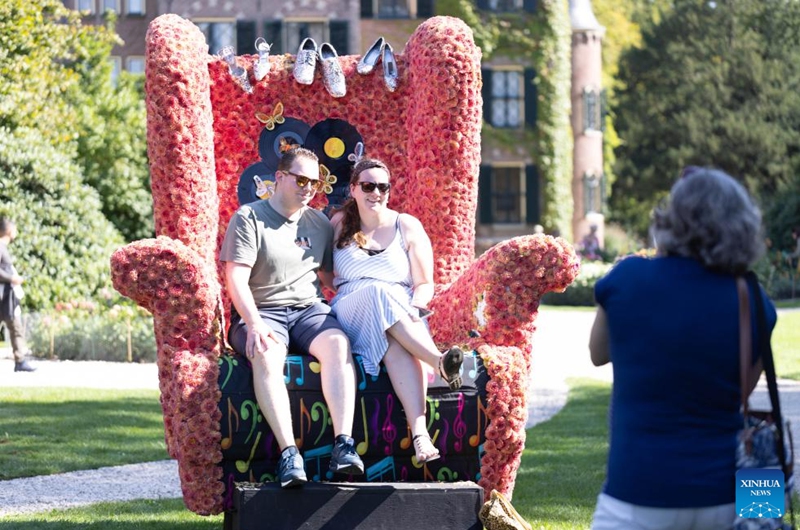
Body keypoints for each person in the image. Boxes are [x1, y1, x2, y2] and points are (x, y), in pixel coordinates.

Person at [588, 167, 777, 530]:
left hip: (636, 492)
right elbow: (742, 394)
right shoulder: (752, 296)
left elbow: (598, 354)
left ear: (672, 219)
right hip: (728, 499)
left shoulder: (626, 279)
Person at [220, 147, 364, 488]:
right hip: (262, 310)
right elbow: (235, 278)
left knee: (338, 345)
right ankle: (289, 454)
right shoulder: (249, 218)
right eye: (300, 179)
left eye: (314, 182)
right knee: (267, 354)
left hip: (308, 310)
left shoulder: (318, 224)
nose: (308, 187)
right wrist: (253, 323)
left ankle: (344, 445)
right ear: (279, 178)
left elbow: (330, 279)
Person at [329, 158, 464, 464]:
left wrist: (416, 307)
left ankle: (420, 435)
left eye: (382, 187)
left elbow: (425, 283)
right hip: (351, 307)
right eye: (367, 186)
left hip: (401, 310)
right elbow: (325, 273)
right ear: (353, 189)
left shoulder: (407, 225)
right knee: (378, 292)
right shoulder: (338, 224)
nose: (375, 192)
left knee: (394, 343)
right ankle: (437, 361)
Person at [0, 218, 35, 373]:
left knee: (16, 327)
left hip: (7, 296)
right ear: (9, 231)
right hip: (3, 296)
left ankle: (20, 361)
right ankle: (20, 361)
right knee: (15, 327)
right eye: (15, 229)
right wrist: (12, 278)